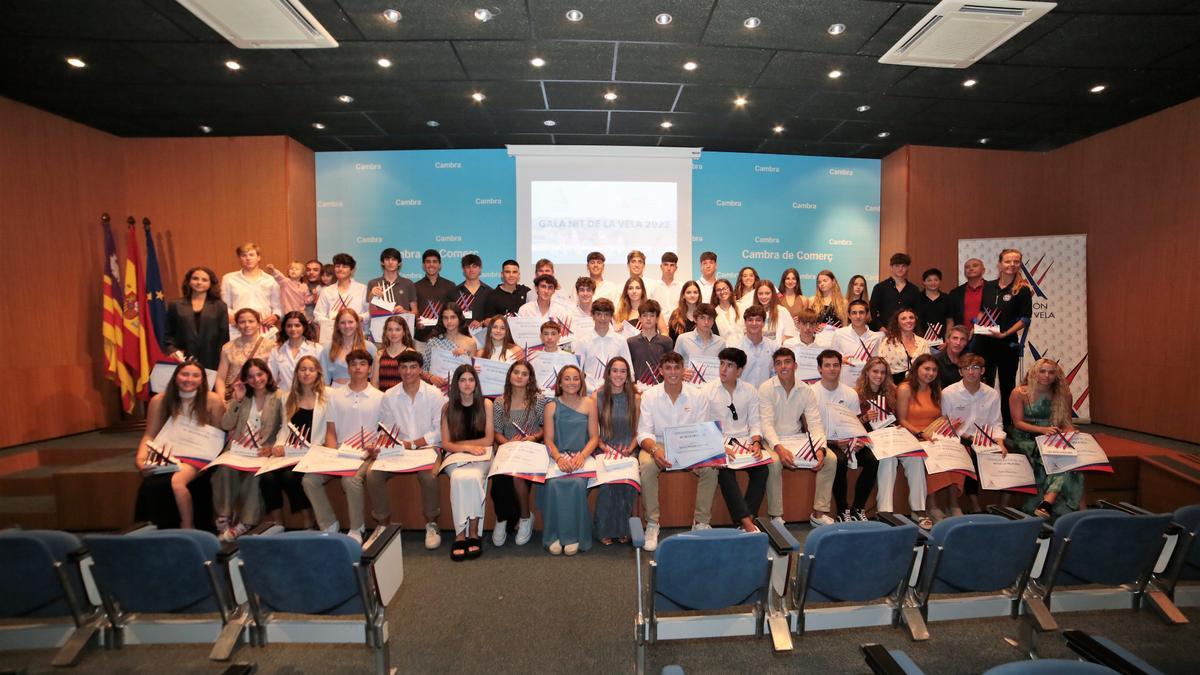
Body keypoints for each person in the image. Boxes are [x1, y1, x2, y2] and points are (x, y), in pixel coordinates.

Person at [635, 351, 720, 551]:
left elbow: (702, 430)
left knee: (711, 468)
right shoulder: (649, 395)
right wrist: (655, 450)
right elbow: (643, 433)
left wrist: (696, 453)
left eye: (677, 367)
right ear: (661, 371)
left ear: (683, 370)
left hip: (689, 443)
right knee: (647, 466)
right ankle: (653, 524)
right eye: (668, 368)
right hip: (658, 443)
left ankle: (700, 522)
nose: (673, 372)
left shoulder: (698, 396)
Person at [133, 360, 225, 529]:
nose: (189, 379)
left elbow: (219, 436)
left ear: (202, 380)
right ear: (175, 377)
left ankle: (187, 528)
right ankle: (153, 527)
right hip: (170, 454)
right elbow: (149, 435)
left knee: (176, 483)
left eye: (195, 375)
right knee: (152, 482)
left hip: (198, 456)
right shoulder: (159, 400)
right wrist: (140, 460)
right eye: (185, 374)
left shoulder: (212, 400)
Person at [369, 350, 446, 549]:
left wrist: (412, 444)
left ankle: (431, 523)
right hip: (399, 450)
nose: (408, 371)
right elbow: (387, 429)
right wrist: (382, 445)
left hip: (427, 448)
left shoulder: (434, 394)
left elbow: (438, 432)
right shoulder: (389, 396)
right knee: (373, 474)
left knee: (428, 477)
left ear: (420, 370)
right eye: (403, 367)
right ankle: (383, 524)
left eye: (413, 367)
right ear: (398, 370)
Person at [303, 348, 381, 545]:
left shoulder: (380, 397)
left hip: (367, 455)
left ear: (370, 369)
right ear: (348, 368)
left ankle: (357, 528)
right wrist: (331, 457)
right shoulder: (335, 396)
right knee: (309, 479)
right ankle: (329, 524)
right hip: (340, 452)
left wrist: (373, 450)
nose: (357, 368)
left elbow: (383, 433)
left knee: (350, 480)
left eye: (362, 364)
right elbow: (331, 431)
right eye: (353, 364)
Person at [758, 347, 831, 529]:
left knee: (831, 459)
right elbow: (766, 425)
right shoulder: (766, 388)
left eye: (787, 362)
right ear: (774, 367)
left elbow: (815, 424)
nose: (783, 367)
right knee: (774, 463)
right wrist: (779, 448)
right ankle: (776, 516)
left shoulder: (806, 390)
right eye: (778, 363)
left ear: (795, 365)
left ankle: (818, 513)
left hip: (797, 438)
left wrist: (821, 449)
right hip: (772, 440)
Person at [215, 358, 281, 540]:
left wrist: (273, 448)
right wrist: (236, 400)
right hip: (239, 449)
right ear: (245, 379)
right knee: (224, 468)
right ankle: (225, 515)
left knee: (256, 474)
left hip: (263, 450)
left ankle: (246, 522)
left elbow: (284, 427)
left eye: (259, 374)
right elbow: (226, 424)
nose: (256, 379)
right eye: (250, 377)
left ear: (267, 374)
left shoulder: (279, 396)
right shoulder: (244, 397)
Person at [1007, 358, 1081, 519]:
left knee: (1073, 457)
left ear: (1057, 375)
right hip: (1026, 437)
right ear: (1034, 373)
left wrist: (1070, 432)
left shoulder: (1064, 394)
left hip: (1052, 435)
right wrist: (1042, 430)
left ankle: (1047, 502)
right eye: (1042, 371)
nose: (1046, 375)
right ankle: (1058, 503)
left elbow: (1066, 422)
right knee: (1055, 458)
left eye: (1051, 372)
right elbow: (1017, 423)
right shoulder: (1019, 393)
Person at [706, 348, 767, 532]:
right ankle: (747, 523)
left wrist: (756, 442)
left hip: (745, 442)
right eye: (722, 364)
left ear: (739, 371)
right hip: (719, 442)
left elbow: (755, 422)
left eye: (729, 365)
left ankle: (745, 518)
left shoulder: (749, 391)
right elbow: (705, 426)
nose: (723, 369)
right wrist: (719, 446)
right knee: (724, 471)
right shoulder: (708, 391)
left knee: (762, 470)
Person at [541, 365, 600, 555]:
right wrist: (558, 457)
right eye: (567, 378)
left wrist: (582, 456)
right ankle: (554, 535)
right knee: (553, 484)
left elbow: (594, 438)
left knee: (575, 483)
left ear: (581, 382)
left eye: (576, 378)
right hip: (557, 456)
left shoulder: (590, 403)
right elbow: (548, 439)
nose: (572, 382)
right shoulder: (551, 406)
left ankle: (574, 535)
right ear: (559, 382)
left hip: (582, 457)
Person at [440, 364, 495, 560]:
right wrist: (466, 448)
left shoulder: (486, 404)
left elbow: (488, 440)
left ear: (476, 383)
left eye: (471, 380)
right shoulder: (447, 408)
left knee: (472, 477)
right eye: (462, 380)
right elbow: (446, 443)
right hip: (455, 455)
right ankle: (460, 534)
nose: (467, 384)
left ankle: (473, 531)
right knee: (458, 477)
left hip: (482, 454)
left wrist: (467, 447)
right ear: (456, 383)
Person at [489, 360, 546, 547]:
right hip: (507, 448)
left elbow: (545, 429)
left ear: (530, 378)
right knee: (499, 479)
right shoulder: (499, 402)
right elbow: (496, 432)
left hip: (531, 449)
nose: (520, 376)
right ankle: (502, 519)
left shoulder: (538, 400)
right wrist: (508, 445)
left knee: (516, 476)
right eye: (516, 372)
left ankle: (524, 517)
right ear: (510, 375)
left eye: (524, 374)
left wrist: (534, 438)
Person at [262, 354, 322, 530]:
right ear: (296, 373)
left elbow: (330, 428)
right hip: (290, 451)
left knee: (290, 477)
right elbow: (284, 427)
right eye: (303, 369)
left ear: (318, 373)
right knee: (267, 478)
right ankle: (278, 524)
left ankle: (308, 520)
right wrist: (278, 446)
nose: (306, 373)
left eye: (311, 369)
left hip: (314, 451)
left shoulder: (328, 396)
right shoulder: (287, 397)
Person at [941, 353, 1006, 515]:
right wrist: (966, 436)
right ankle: (974, 505)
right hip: (958, 438)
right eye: (966, 368)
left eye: (975, 368)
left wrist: (1001, 443)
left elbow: (996, 422)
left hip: (985, 439)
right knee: (968, 454)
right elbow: (945, 422)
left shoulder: (992, 394)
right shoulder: (948, 393)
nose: (971, 372)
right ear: (960, 372)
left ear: (982, 371)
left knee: (1009, 455)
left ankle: (1003, 506)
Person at [976, 249, 1034, 424]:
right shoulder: (987, 286)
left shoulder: (1022, 290)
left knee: (1007, 385)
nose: (1012, 265)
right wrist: (978, 325)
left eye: (1016, 261)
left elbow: (1025, 318)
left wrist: (1006, 333)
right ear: (1000, 264)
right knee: (984, 383)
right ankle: (983, 422)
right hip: (984, 342)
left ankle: (1007, 425)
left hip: (1007, 344)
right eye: (1008, 261)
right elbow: (981, 311)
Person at [811, 350, 868, 525]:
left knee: (873, 460)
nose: (832, 369)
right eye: (827, 365)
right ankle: (843, 510)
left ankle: (858, 508)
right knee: (840, 460)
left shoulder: (850, 393)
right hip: (823, 442)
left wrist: (856, 441)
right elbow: (808, 427)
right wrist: (833, 442)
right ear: (820, 369)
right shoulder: (811, 392)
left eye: (836, 365)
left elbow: (855, 422)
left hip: (847, 440)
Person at [898, 354, 954, 525]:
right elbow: (902, 420)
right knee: (928, 455)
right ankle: (930, 505)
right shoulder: (905, 388)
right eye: (926, 369)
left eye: (934, 370)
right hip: (911, 436)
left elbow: (937, 417)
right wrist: (921, 434)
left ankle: (953, 504)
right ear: (916, 369)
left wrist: (948, 426)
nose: (930, 373)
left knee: (956, 452)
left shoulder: (936, 390)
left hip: (932, 436)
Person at [593, 356, 640, 545]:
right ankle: (604, 529)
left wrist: (630, 449)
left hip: (629, 449)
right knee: (607, 486)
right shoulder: (597, 396)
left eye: (623, 371)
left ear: (628, 375)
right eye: (615, 370)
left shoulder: (636, 398)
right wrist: (605, 448)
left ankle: (623, 529)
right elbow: (594, 431)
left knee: (627, 484)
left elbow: (639, 431)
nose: (618, 375)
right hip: (604, 449)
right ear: (608, 373)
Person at [165, 266, 229, 370]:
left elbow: (224, 337)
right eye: (195, 278)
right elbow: (168, 334)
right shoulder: (175, 305)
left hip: (212, 360)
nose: (199, 282)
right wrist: (172, 350)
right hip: (183, 359)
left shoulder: (220, 306)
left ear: (210, 283)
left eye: (204, 280)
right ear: (189, 281)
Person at [574, 298, 632, 392]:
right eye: (599, 314)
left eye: (606, 314)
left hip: (615, 392)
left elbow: (629, 370)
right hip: (590, 393)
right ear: (592, 315)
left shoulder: (620, 341)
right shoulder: (583, 342)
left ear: (611, 317)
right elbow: (576, 370)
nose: (603, 318)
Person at [215, 308, 274, 400]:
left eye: (251, 321)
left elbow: (275, 377)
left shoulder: (272, 347)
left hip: (261, 397)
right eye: (242, 322)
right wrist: (221, 400)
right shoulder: (228, 347)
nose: (247, 325)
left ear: (258, 324)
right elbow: (220, 378)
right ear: (237, 325)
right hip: (234, 398)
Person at [221, 242, 281, 329]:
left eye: (251, 255)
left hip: (264, 328)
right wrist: (234, 319)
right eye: (244, 255)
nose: (248, 258)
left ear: (259, 258)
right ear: (239, 258)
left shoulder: (271, 280)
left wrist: (275, 316)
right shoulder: (228, 279)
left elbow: (278, 307)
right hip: (238, 329)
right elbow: (224, 306)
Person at [423, 304, 477, 390]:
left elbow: (473, 373)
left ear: (459, 318)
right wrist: (431, 378)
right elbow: (423, 370)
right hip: (436, 390)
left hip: (461, 391)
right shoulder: (433, 342)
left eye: (453, 317)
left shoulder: (470, 343)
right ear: (441, 319)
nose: (449, 321)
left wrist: (464, 358)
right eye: (445, 318)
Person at [832, 300, 883, 387]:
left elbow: (881, 363)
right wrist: (840, 360)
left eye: (861, 312)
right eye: (854, 313)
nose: (858, 316)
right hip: (845, 386)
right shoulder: (839, 334)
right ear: (849, 315)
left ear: (867, 315)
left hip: (868, 386)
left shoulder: (877, 337)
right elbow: (831, 359)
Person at [321, 308, 377, 386]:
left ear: (357, 324)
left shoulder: (370, 348)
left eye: (350, 322)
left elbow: (374, 379)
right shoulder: (327, 349)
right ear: (337, 325)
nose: (347, 326)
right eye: (342, 323)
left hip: (363, 394)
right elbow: (324, 382)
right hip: (335, 394)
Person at [414, 249, 459, 344]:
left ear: (440, 265)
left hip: (445, 338)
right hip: (421, 338)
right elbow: (412, 311)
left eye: (434, 262)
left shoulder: (450, 285)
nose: (431, 265)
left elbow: (455, 311)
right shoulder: (415, 286)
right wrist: (415, 323)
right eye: (428, 262)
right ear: (423, 265)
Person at [268, 311, 321, 392]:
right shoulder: (276, 351)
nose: (293, 329)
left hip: (310, 397)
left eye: (297, 325)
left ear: (304, 327)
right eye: (289, 326)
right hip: (284, 398)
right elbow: (271, 378)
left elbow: (322, 377)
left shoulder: (317, 349)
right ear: (284, 328)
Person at [314, 252, 370, 329]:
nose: (340, 269)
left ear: (352, 270)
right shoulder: (327, 291)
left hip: (357, 333)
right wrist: (332, 322)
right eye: (337, 266)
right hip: (333, 333)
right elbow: (318, 315)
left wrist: (359, 318)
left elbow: (370, 312)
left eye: (344, 266)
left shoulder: (363, 289)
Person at [626, 300, 673, 389]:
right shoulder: (630, 342)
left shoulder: (667, 342)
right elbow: (628, 369)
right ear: (639, 318)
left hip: (660, 389)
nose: (648, 319)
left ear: (657, 319)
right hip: (638, 389)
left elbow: (670, 368)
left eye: (652, 315)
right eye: (645, 315)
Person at [878, 308, 931, 384]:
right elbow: (882, 367)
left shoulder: (923, 343)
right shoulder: (888, 343)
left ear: (915, 321)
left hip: (920, 385)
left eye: (911, 318)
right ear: (897, 323)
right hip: (895, 386)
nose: (908, 321)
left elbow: (929, 366)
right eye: (903, 318)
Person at [870, 253, 922, 330]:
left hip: (907, 331)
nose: (900, 269)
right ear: (891, 267)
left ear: (908, 267)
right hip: (884, 331)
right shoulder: (880, 287)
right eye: (897, 266)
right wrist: (880, 327)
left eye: (903, 266)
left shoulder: (914, 289)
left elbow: (917, 313)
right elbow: (873, 311)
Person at [366, 248, 418, 320]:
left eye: (394, 259)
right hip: (380, 328)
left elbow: (415, 312)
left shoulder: (408, 284)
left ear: (399, 263)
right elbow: (371, 314)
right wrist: (371, 296)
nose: (390, 262)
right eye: (387, 259)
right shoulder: (373, 283)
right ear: (382, 262)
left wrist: (404, 311)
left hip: (403, 328)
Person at [371, 315, 418, 391]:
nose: (393, 333)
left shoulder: (410, 353)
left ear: (404, 332)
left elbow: (414, 383)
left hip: (403, 400)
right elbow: (374, 383)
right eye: (390, 329)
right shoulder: (379, 355)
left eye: (397, 329)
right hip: (383, 399)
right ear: (386, 332)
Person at [734, 305, 777, 388]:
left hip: (765, 396)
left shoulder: (774, 347)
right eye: (750, 320)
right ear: (745, 322)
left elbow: (775, 374)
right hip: (742, 396)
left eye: (758, 320)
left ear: (763, 323)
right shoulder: (736, 348)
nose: (754, 323)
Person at [914, 268, 954, 344]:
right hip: (920, 341)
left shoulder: (946, 298)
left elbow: (950, 321)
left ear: (940, 281)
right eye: (929, 280)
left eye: (936, 280)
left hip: (941, 342)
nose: (933, 283)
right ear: (924, 282)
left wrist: (947, 338)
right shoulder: (917, 299)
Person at [455, 253, 492, 332]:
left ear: (480, 268)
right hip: (461, 337)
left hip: (484, 337)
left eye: (474, 266)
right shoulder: (454, 292)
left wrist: (481, 323)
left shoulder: (490, 292)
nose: (471, 270)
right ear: (463, 269)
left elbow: (493, 318)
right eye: (468, 267)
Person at [949, 257, 986, 328]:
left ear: (983, 270)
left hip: (987, 334)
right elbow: (951, 318)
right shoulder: (955, 293)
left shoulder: (992, 290)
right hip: (962, 336)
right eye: (967, 267)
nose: (971, 268)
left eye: (975, 265)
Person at [711, 278, 743, 343]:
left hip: (743, 350)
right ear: (715, 294)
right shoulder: (713, 313)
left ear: (730, 290)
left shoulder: (741, 307)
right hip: (724, 351)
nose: (722, 292)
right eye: (718, 290)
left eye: (725, 288)